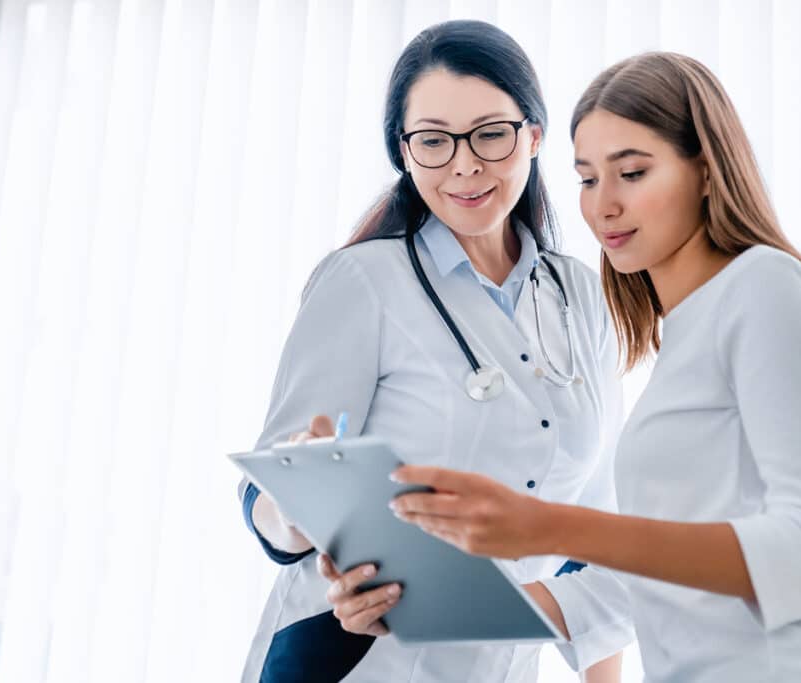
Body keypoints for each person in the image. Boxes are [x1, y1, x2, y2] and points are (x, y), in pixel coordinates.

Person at [388, 52, 801, 681]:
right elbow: (658, 582)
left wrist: (547, 527)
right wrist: (429, 608)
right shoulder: (685, 334)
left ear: (708, 171)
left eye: (631, 172)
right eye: (586, 178)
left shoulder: (766, 287)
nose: (603, 206)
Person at [237, 20, 630, 683]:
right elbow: (266, 494)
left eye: (490, 133)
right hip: (353, 657)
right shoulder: (364, 282)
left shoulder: (579, 297)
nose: (465, 164)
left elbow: (595, 528)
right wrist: (300, 505)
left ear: (533, 135)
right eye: (434, 141)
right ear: (405, 151)